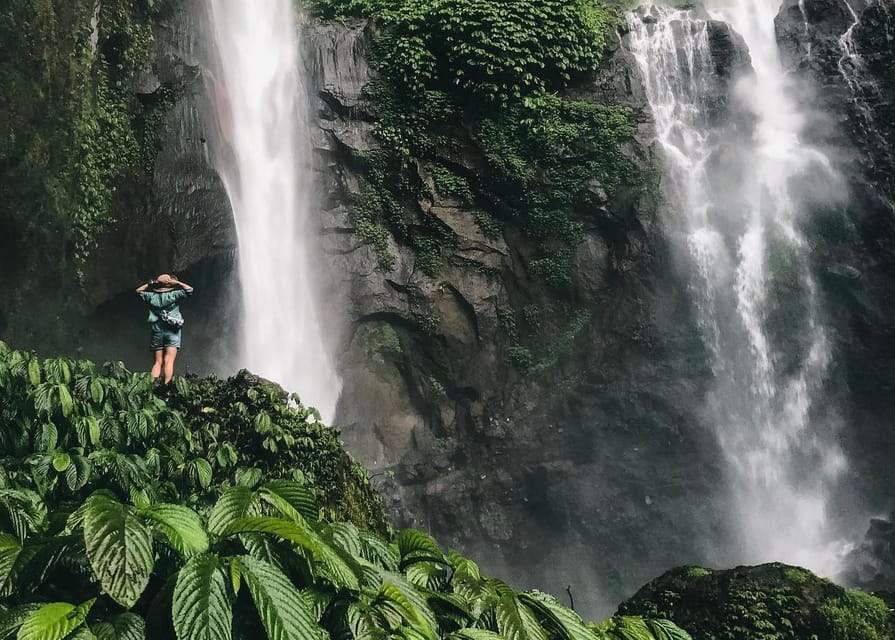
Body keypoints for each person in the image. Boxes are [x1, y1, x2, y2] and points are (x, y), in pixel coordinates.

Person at [135, 274, 194, 384]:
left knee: (158, 362)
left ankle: (150, 387)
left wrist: (151, 283)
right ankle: (166, 387)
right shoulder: (175, 295)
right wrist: (177, 283)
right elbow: (189, 290)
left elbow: (138, 291)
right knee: (169, 361)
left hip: (157, 330)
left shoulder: (152, 296)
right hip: (173, 331)